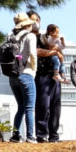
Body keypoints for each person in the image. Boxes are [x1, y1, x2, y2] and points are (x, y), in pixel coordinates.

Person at [29, 10, 63, 142]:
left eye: (36, 20)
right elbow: (36, 51)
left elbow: (59, 51)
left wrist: (57, 53)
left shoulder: (47, 36)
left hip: (55, 75)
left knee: (56, 107)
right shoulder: (30, 38)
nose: (35, 23)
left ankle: (54, 135)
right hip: (41, 75)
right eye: (32, 20)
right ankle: (41, 135)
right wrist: (53, 53)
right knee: (43, 106)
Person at [7, 12, 37, 143]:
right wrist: (34, 70)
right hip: (26, 73)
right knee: (30, 107)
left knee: (21, 107)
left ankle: (15, 135)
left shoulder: (10, 35)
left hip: (12, 75)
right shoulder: (30, 36)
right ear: (27, 25)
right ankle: (30, 136)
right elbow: (32, 54)